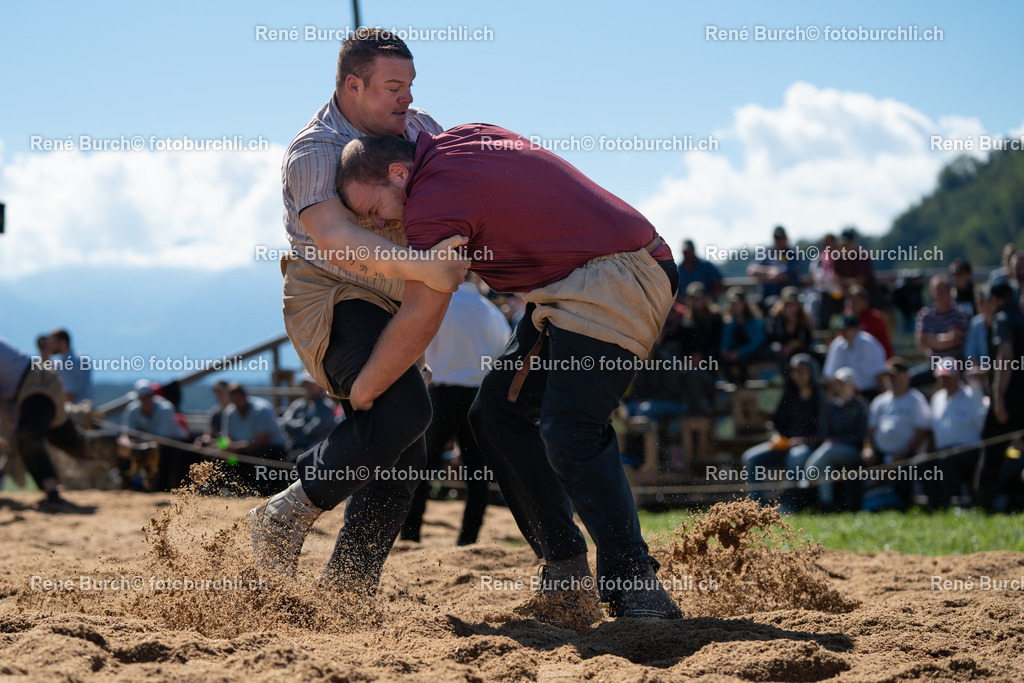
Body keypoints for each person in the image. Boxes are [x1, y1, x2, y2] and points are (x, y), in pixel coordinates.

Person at [336, 123, 683, 618]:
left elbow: (422, 313)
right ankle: (564, 567)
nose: (377, 223)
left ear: (398, 173)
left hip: (618, 274)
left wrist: (366, 388)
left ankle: (636, 586)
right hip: (572, 281)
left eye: (373, 209)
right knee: (496, 415)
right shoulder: (464, 137)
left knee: (572, 432)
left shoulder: (431, 200)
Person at [248, 30, 469, 595]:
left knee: (402, 452)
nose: (406, 98)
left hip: (399, 298)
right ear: (353, 85)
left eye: (410, 86)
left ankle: (346, 589)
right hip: (332, 293)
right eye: (393, 87)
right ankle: (286, 511)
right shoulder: (315, 151)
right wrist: (427, 270)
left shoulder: (422, 132)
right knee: (402, 414)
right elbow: (337, 238)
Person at [400, 273, 510, 546]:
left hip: (438, 394)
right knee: (477, 472)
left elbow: (417, 346)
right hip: (476, 396)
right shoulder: (492, 313)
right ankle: (468, 539)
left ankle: (410, 534)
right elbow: (502, 357)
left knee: (421, 469)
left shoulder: (439, 306)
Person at [0, 336, 86, 510]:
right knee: (73, 444)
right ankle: (126, 449)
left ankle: (52, 493)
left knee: (29, 437)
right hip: (22, 396)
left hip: (37, 385)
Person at [740, 354, 822, 510]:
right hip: (784, 445)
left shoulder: (820, 400)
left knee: (796, 456)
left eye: (802, 372)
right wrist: (777, 436)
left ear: (811, 373)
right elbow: (778, 423)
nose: (797, 376)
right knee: (750, 458)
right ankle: (756, 507)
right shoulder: (789, 396)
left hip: (807, 448)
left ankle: (787, 504)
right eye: (795, 372)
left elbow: (823, 434)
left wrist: (802, 441)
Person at [974, 282, 1024, 512]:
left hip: (1010, 400)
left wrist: (998, 396)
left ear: (994, 300)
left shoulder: (1002, 319)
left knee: (992, 451)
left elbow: (1005, 354)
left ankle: (984, 508)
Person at [861, 358, 932, 511]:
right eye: (888, 377)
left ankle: (902, 506)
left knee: (904, 469)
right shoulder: (880, 401)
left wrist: (902, 452)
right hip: (880, 453)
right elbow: (870, 431)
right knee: (859, 465)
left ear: (906, 376)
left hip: (907, 453)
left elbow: (922, 431)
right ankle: (865, 506)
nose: (891, 380)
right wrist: (868, 448)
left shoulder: (915, 400)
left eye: (895, 376)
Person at [804, 367, 868, 511]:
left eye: (844, 383)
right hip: (830, 450)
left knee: (828, 451)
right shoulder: (832, 406)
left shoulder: (860, 406)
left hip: (852, 450)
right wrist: (832, 440)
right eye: (838, 384)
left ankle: (807, 475)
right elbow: (825, 431)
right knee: (826, 463)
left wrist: (840, 441)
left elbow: (860, 434)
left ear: (852, 385)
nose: (841, 387)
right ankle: (826, 504)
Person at [927, 360, 986, 508]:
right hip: (942, 451)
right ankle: (936, 505)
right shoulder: (936, 399)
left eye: (948, 377)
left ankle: (953, 501)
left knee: (947, 460)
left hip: (969, 450)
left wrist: (977, 388)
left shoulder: (972, 395)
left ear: (957, 376)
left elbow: (981, 424)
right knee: (922, 463)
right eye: (941, 377)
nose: (944, 381)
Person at [118, 379, 190, 491]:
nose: (146, 400)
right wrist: (127, 445)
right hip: (147, 445)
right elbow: (127, 434)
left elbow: (162, 439)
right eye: (142, 397)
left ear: (153, 396)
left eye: (148, 396)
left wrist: (137, 446)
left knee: (162, 456)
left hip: (176, 444)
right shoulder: (132, 410)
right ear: (138, 398)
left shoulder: (165, 408)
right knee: (125, 451)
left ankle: (161, 489)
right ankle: (128, 486)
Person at [222, 382, 288, 494]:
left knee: (258, 455)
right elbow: (226, 437)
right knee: (225, 458)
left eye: (239, 398)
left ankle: (262, 491)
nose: (237, 402)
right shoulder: (229, 412)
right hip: (244, 450)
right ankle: (232, 489)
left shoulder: (262, 409)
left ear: (245, 396)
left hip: (272, 449)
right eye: (234, 399)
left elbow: (262, 440)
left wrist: (234, 447)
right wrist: (224, 447)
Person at [822, 315, 888, 402]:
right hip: (844, 396)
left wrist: (881, 399)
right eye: (842, 329)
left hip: (869, 393)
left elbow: (880, 374)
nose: (844, 332)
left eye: (847, 329)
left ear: (856, 329)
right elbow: (830, 376)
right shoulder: (837, 346)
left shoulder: (870, 344)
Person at [281, 372, 341, 459]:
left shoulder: (326, 407)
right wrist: (301, 424)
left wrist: (295, 427)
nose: (308, 388)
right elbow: (285, 422)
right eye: (306, 385)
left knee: (293, 458)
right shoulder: (299, 404)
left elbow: (311, 431)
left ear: (320, 386)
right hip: (297, 445)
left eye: (311, 385)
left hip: (315, 448)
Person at [915, 276, 970, 365]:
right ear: (932, 293)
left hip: (956, 364)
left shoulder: (959, 313)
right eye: (937, 291)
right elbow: (920, 344)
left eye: (943, 291)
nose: (940, 294)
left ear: (949, 292)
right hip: (932, 364)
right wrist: (944, 339)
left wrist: (930, 339)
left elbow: (952, 341)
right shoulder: (925, 315)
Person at [720, 287, 767, 386]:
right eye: (732, 303)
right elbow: (725, 340)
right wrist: (724, 351)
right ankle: (733, 384)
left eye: (737, 303)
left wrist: (739, 352)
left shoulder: (755, 321)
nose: (734, 306)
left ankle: (742, 386)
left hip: (753, 352)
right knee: (722, 359)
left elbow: (756, 343)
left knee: (742, 360)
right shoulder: (730, 321)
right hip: (736, 352)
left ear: (744, 303)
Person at [745, 225, 802, 307]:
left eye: (780, 238)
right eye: (776, 238)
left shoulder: (793, 255)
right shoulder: (767, 254)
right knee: (750, 304)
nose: (778, 241)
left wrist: (762, 276)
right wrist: (770, 272)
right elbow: (751, 270)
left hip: (784, 297)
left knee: (771, 302)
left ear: (786, 239)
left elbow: (783, 275)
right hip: (763, 296)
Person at [764, 286, 815, 376]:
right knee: (781, 354)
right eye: (787, 303)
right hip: (780, 351)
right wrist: (783, 346)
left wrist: (793, 345)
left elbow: (808, 339)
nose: (790, 307)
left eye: (793, 303)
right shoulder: (775, 318)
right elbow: (770, 337)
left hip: (797, 350)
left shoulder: (803, 319)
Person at [47, 328, 93, 404]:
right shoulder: (82, 358)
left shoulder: (65, 363)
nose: (49, 345)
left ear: (63, 342)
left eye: (52, 341)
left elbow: (69, 394)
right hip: (87, 408)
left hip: (74, 411)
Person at [847, 284, 893, 358]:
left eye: (856, 301)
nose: (853, 304)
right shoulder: (846, 318)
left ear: (865, 302)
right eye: (850, 301)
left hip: (873, 360)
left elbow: (884, 344)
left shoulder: (875, 318)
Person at [809, 233, 844, 329]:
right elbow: (813, 275)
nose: (827, 246)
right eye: (824, 243)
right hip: (824, 293)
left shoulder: (841, 257)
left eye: (829, 243)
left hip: (840, 293)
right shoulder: (818, 258)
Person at [834, 228, 878, 301]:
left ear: (853, 243)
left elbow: (861, 281)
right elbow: (836, 279)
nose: (844, 247)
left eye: (847, 244)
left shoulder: (862, 256)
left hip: (868, 295)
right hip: (845, 295)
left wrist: (843, 281)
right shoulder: (838, 259)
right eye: (842, 245)